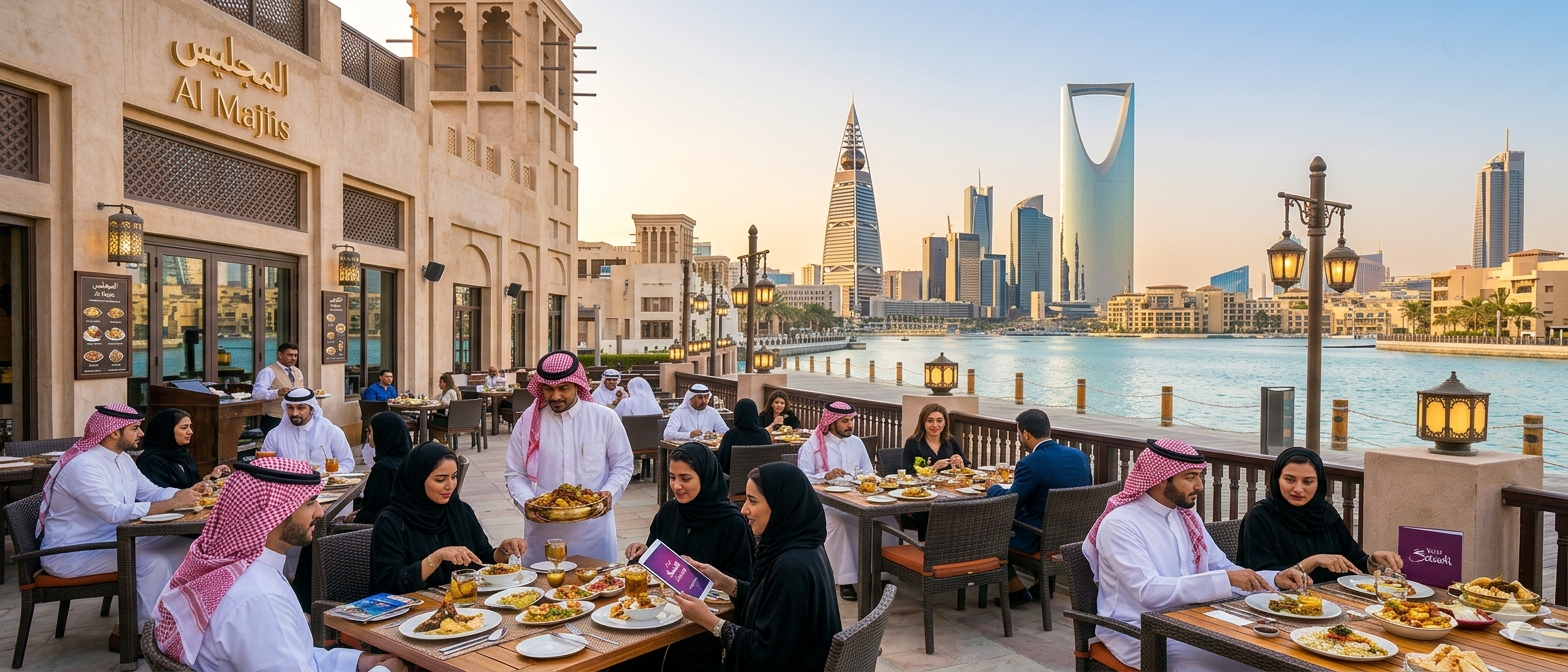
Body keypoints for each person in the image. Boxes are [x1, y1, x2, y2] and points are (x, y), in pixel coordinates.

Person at [153, 457, 407, 672]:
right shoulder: (258, 599)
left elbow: (295, 657)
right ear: (273, 512)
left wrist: (360, 662)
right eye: (310, 503)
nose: (319, 513)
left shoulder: (240, 569)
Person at [1086, 438, 1310, 671]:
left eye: (1199, 476)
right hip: (1138, 632)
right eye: (1190, 477)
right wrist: (1226, 579)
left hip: (1192, 621)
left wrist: (1274, 579)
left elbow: (1220, 566)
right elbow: (1148, 592)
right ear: (1162, 478)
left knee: (1272, 658)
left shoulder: (1185, 517)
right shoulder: (1121, 524)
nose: (1200, 486)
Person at [38, 405, 203, 626]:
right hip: (72, 553)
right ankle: (141, 632)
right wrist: (173, 503)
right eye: (135, 428)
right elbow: (113, 513)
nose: (141, 433)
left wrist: (188, 493)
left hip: (112, 540)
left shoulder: (122, 459)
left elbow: (151, 491)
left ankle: (176, 621)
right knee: (153, 563)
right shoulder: (84, 466)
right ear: (114, 432)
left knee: (188, 548)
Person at [672, 463, 841, 672]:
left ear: (781, 505)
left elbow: (764, 653)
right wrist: (726, 582)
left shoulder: (791, 567)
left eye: (753, 501)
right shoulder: (804, 545)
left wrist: (710, 621)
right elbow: (773, 604)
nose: (744, 509)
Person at [619, 443, 754, 671]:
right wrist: (643, 551)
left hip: (702, 627)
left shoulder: (732, 524)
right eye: (672, 477)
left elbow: (743, 586)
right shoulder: (669, 512)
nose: (676, 486)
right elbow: (655, 561)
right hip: (657, 617)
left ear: (706, 477)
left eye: (685, 478)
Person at [504, 350, 635, 565]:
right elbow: (515, 473)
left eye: (563, 388)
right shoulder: (528, 422)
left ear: (578, 385)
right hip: (543, 532)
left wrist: (607, 495)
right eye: (548, 389)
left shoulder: (604, 418)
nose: (555, 396)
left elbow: (622, 465)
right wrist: (529, 504)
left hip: (594, 533)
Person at [372, 442, 528, 593]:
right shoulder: (390, 522)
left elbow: (481, 558)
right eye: (440, 479)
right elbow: (390, 583)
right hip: (411, 611)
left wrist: (502, 551)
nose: (450, 486)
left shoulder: (459, 511)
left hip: (464, 601)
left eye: (453, 477)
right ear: (418, 479)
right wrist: (436, 557)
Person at [1239, 447, 1403, 583]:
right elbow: (1263, 577)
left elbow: (1354, 561)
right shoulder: (1260, 517)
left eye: (1308, 482)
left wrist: (1374, 560)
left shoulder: (1325, 513)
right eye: (1290, 480)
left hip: (1335, 601)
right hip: (1279, 604)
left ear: (1319, 483)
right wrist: (1314, 561)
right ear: (1276, 480)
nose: (1298, 489)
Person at [989, 409, 1091, 607]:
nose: (1020, 439)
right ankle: (1040, 586)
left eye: (1019, 436)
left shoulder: (1030, 463)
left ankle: (1016, 590)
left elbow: (1010, 501)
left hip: (1040, 538)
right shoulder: (1080, 456)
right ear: (1049, 429)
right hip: (1074, 535)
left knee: (990, 533)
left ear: (1026, 434)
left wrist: (992, 488)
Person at [795, 400, 881, 601]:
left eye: (851, 420)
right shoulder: (812, 446)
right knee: (839, 522)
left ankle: (878, 573)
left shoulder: (857, 443)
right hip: (823, 504)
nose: (850, 425)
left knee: (885, 520)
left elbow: (869, 472)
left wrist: (867, 481)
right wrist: (825, 476)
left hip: (857, 499)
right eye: (844, 421)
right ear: (831, 422)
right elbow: (801, 478)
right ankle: (845, 580)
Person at [260, 389, 355, 473]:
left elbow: (347, 462)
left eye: (300, 408)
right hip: (287, 488)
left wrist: (329, 474)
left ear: (312, 409)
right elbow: (264, 465)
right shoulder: (274, 435)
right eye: (290, 408)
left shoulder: (331, 432)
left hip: (323, 485)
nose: (294, 413)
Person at [137, 408, 231, 489]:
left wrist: (212, 478)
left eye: (190, 427)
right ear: (166, 431)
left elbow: (192, 486)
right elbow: (159, 496)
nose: (190, 432)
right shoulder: (151, 461)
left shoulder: (182, 453)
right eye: (184, 428)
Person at [355, 412, 414, 525]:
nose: (369, 437)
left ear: (383, 434)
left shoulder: (384, 468)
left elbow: (375, 512)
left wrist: (357, 517)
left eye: (371, 432)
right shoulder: (409, 461)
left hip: (384, 529)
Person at [252, 342, 305, 435]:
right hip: (274, 419)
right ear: (280, 355)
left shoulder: (297, 371)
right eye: (290, 355)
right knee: (274, 448)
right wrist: (277, 393)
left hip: (294, 418)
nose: (293, 358)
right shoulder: (268, 371)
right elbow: (256, 393)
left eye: (295, 355)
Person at [902, 403, 964, 470]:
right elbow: (906, 471)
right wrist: (933, 468)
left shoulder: (950, 440)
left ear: (945, 422)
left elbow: (967, 465)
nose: (935, 425)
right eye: (930, 421)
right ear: (923, 422)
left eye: (939, 421)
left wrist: (961, 463)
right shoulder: (912, 442)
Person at [717, 399, 772, 474]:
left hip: (734, 481)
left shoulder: (731, 435)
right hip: (760, 480)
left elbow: (722, 462)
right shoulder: (764, 434)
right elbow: (769, 459)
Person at [663, 384, 729, 441]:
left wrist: (714, 435)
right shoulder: (679, 413)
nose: (704, 401)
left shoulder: (713, 412)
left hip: (708, 451)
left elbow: (725, 432)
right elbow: (667, 435)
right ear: (691, 398)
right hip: (686, 451)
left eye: (706, 397)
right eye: (700, 398)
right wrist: (689, 435)